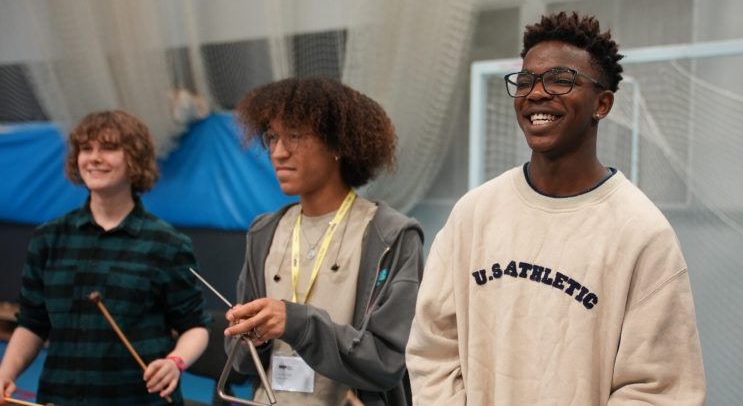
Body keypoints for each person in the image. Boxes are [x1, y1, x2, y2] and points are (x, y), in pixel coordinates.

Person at [406, 12, 706, 405]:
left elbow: (660, 389)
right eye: (526, 80)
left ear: (602, 103)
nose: (535, 93)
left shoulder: (642, 232)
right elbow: (433, 347)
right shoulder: (474, 214)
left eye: (560, 80)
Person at [223, 78, 425, 406]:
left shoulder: (390, 236)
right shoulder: (264, 232)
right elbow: (241, 363)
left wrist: (298, 323)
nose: (278, 151)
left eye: (295, 136)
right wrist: (250, 337)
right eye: (272, 137)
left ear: (339, 144)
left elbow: (388, 361)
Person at [0, 110, 210, 405]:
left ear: (134, 159)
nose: (94, 158)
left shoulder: (167, 243)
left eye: (108, 148)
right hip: (60, 397)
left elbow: (195, 327)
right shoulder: (49, 237)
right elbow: (33, 323)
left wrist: (175, 362)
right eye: (87, 149)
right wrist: (4, 374)